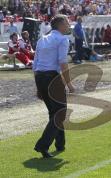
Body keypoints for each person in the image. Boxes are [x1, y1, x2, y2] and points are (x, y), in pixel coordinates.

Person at [33, 14, 75, 158]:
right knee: (60, 113)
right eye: (66, 22)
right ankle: (42, 145)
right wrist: (69, 84)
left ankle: (60, 144)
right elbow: (63, 63)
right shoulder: (63, 39)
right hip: (52, 78)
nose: (68, 25)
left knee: (54, 112)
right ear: (60, 25)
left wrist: (38, 87)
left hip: (40, 77)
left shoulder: (42, 39)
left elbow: (35, 65)